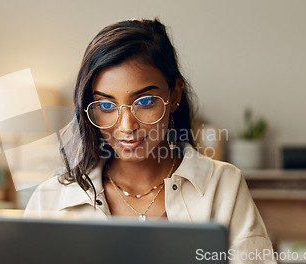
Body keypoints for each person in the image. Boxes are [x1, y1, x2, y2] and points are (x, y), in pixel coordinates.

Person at [24, 19, 275, 263]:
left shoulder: (222, 186)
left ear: (174, 95)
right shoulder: (51, 197)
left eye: (144, 102)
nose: (126, 126)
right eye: (106, 105)